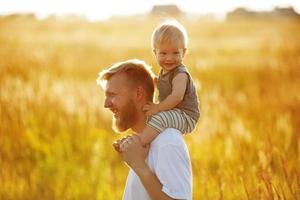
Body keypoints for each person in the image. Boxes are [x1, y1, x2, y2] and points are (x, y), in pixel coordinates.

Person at [97, 59, 192, 200]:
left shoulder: (167, 142)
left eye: (112, 95)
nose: (106, 104)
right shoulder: (140, 144)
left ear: (138, 94)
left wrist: (139, 166)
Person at [137, 20, 200, 146]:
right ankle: (148, 142)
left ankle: (139, 143)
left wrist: (158, 107)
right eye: (163, 53)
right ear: (155, 53)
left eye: (175, 53)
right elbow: (162, 85)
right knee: (150, 116)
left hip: (186, 116)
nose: (169, 58)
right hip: (173, 112)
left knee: (160, 118)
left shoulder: (180, 74)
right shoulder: (164, 71)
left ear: (184, 52)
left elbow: (177, 97)